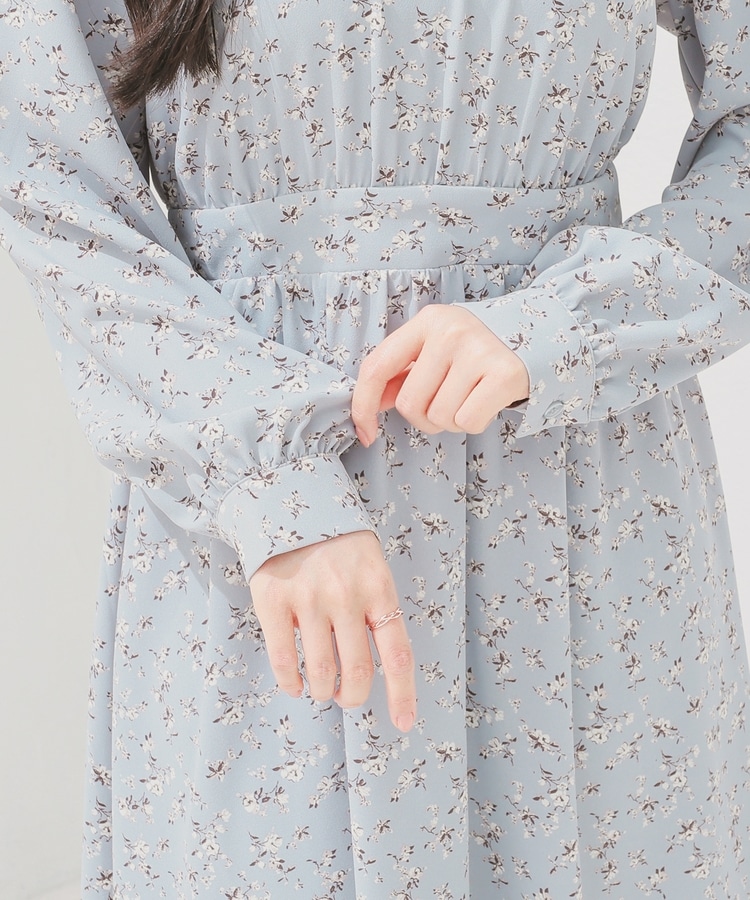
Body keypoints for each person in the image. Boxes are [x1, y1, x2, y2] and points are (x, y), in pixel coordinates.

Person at [2, 0, 749, 896]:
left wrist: (566, 323)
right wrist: (267, 473)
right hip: (258, 544)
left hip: (580, 512)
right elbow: (56, 183)